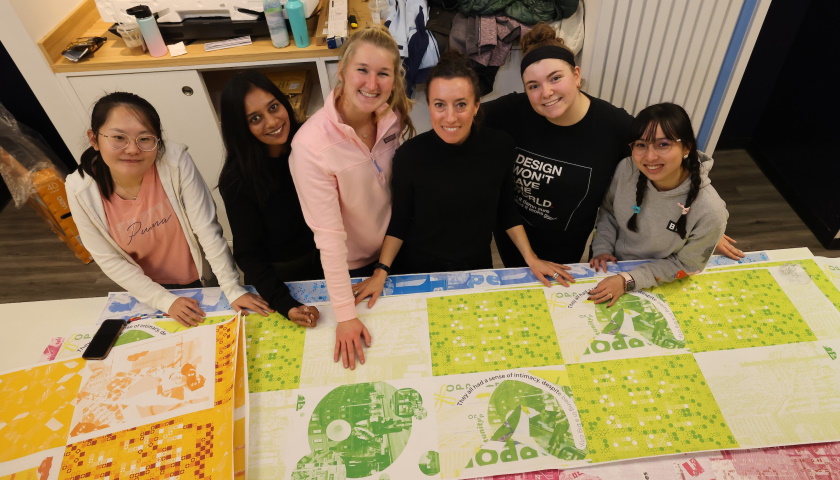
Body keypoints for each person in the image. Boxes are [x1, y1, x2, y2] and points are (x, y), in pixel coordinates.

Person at [482, 23, 743, 266]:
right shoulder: (510, 111)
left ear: (576, 74)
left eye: (555, 78)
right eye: (533, 85)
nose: (546, 92)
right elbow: (457, 119)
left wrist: (699, 222)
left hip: (567, 245)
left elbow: (668, 163)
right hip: (512, 235)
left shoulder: (615, 126)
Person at [353, 51, 573, 306]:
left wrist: (531, 258)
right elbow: (399, 221)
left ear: (476, 105)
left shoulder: (499, 146)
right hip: (417, 268)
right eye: (440, 105)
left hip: (475, 267)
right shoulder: (409, 156)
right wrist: (381, 270)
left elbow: (506, 210)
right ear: (430, 106)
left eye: (461, 104)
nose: (450, 117)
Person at [66, 92, 269, 327]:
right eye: (118, 138)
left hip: (200, 277)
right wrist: (163, 300)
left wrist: (232, 288)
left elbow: (206, 229)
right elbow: (109, 259)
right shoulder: (80, 189)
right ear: (94, 139)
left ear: (158, 141)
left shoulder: (175, 162)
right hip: (146, 289)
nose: (132, 149)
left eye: (144, 139)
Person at [289, 25, 416, 369]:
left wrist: (388, 262)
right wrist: (344, 316)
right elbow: (328, 239)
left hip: (396, 249)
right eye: (362, 70)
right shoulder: (310, 146)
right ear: (342, 72)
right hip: (354, 268)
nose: (372, 84)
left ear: (394, 80)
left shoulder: (392, 116)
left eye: (383, 74)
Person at [587, 103, 728, 306]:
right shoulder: (626, 169)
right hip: (613, 267)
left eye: (663, 144)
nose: (650, 157)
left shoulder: (711, 211)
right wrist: (602, 248)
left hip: (664, 281)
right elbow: (609, 210)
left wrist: (628, 280)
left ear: (686, 147)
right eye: (641, 145)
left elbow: (687, 265)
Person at [218, 71, 321, 327]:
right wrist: (284, 303)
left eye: (273, 107)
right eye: (255, 118)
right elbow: (249, 254)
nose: (272, 121)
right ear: (240, 128)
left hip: (334, 258)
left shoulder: (310, 142)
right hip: (283, 276)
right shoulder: (237, 180)